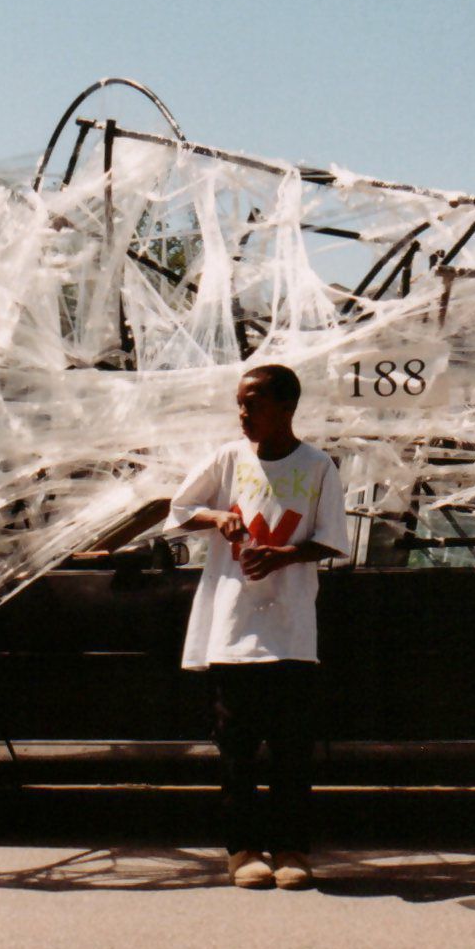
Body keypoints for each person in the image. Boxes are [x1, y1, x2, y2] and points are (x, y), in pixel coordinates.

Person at [165, 363, 348, 889]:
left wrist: (284, 555)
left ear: (287, 408)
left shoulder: (318, 466)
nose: (243, 414)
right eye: (240, 404)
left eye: (254, 404)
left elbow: (331, 539)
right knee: (236, 750)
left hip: (291, 630)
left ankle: (291, 850)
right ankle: (242, 850)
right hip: (233, 630)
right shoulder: (228, 459)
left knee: (292, 750)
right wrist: (217, 518)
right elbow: (179, 509)